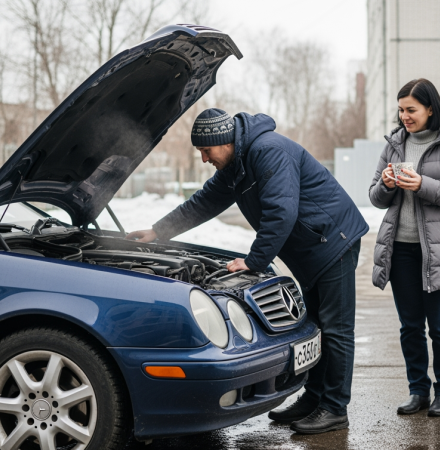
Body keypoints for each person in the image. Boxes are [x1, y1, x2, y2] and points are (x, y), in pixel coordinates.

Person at [126, 108, 369, 434]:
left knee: (336, 328)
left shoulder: (268, 151)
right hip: (312, 246)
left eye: (206, 150)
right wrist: (158, 231)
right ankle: (315, 399)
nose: (203, 159)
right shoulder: (237, 163)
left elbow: (281, 211)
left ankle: (335, 408)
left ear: (223, 142)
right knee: (318, 325)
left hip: (333, 241)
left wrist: (254, 260)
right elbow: (204, 201)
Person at [368, 79, 440, 417]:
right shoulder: (393, 145)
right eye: (401, 110)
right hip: (400, 250)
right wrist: (386, 185)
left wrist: (423, 185)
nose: (404, 116)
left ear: (430, 109)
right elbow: (374, 197)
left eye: (411, 110)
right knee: (410, 327)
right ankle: (418, 391)